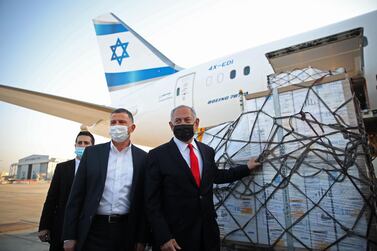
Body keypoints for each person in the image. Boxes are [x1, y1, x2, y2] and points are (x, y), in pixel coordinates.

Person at [145, 105, 261, 251]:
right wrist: (164, 236)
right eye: (178, 121)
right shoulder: (157, 155)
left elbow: (216, 176)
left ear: (196, 123)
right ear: (171, 125)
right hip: (176, 237)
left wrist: (246, 168)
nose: (182, 124)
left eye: (187, 119)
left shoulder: (207, 151)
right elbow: (151, 202)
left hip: (208, 232)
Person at [62, 108, 148, 251]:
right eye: (113, 122)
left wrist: (141, 238)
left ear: (132, 128)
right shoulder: (92, 154)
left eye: (121, 122)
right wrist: (69, 235)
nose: (116, 126)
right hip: (94, 229)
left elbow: (144, 202)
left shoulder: (143, 158)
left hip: (127, 230)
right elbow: (76, 197)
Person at [38, 131, 95, 251]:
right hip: (61, 226)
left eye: (86, 143)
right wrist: (44, 226)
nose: (82, 146)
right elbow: (51, 199)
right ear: (75, 146)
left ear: (93, 147)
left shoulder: (99, 169)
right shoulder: (62, 168)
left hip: (88, 229)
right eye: (79, 143)